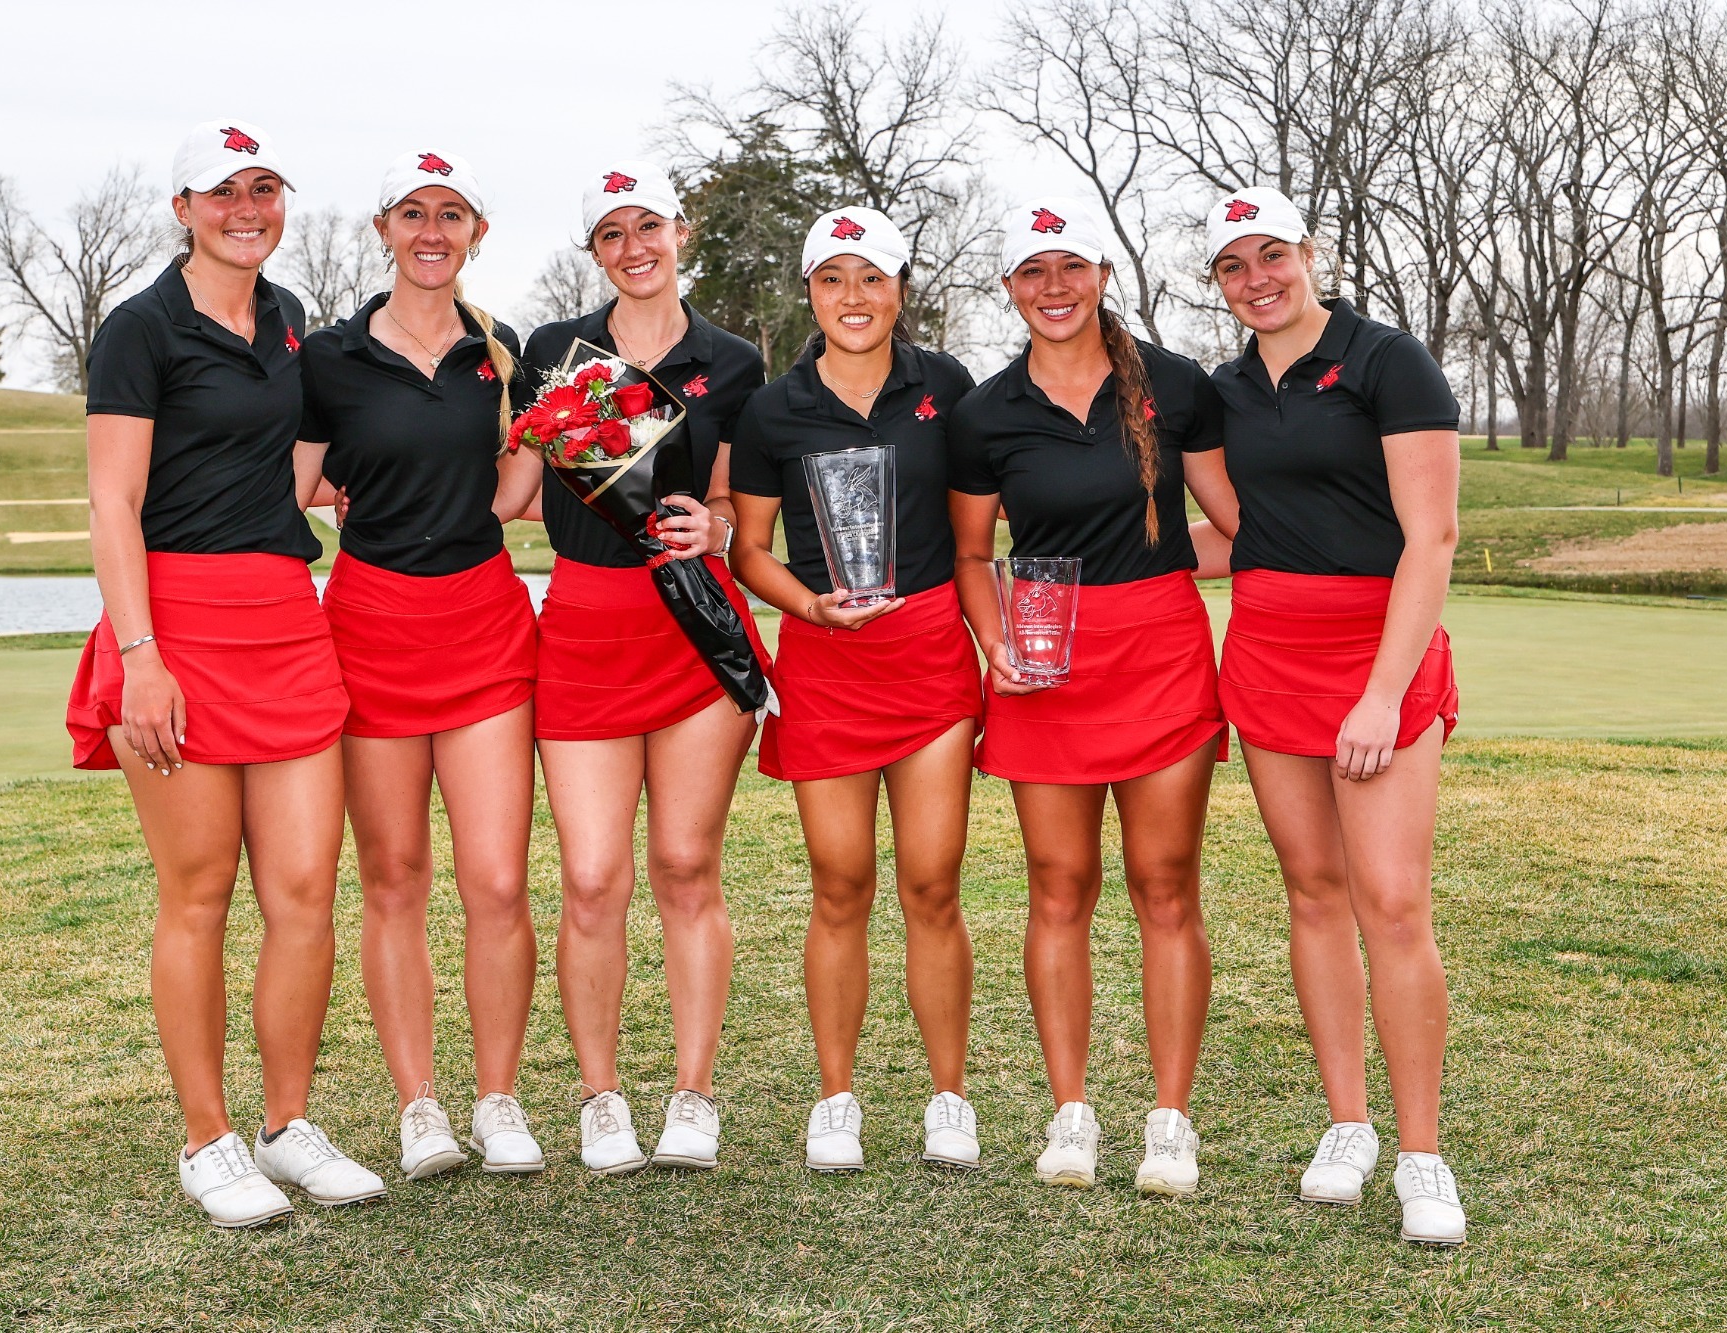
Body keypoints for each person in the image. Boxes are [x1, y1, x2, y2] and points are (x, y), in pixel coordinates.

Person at [64, 120, 383, 1228]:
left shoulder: (288, 317)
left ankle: (285, 1126)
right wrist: (139, 657)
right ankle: (207, 1139)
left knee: (302, 894)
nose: (247, 208)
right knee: (198, 893)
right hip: (177, 622)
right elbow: (112, 502)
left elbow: (280, 463)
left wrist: (339, 481)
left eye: (264, 190)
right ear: (183, 209)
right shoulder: (139, 328)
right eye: (223, 193)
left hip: (284, 619)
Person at [947, 197, 1238, 1193]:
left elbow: (1233, 521)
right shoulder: (984, 411)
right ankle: (1069, 1114)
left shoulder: (1173, 383)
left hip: (1157, 650)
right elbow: (970, 551)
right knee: (1057, 886)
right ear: (1009, 290)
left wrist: (1165, 571)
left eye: (1069, 265)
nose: (1053, 286)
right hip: (1044, 654)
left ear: (1103, 274)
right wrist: (996, 643)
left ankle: (1168, 1119)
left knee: (1164, 884)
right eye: (1032, 271)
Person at [1205, 186, 1466, 1245]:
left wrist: (1379, 691)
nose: (1256, 278)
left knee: (1391, 900)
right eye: (1231, 265)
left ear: (1307, 254)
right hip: (1268, 646)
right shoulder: (1223, 388)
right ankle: (1346, 1125)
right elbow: (1237, 532)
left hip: (1376, 654)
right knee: (1312, 892)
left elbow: (1432, 538)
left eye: (1271, 254)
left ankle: (1420, 1154)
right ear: (1216, 285)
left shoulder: (1383, 359)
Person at [294, 149, 546, 1181]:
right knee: (393, 878)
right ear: (382, 229)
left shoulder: (502, 348)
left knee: (495, 878)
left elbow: (515, 486)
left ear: (476, 231)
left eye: (452, 213)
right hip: (369, 628)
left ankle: (497, 1099)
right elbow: (295, 480)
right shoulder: (329, 354)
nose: (431, 230)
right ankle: (418, 1109)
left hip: (484, 624)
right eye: (412, 212)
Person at [518, 160, 768, 1175]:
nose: (634, 248)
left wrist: (714, 522)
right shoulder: (551, 351)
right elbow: (520, 487)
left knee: (683, 864)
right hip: (583, 619)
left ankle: (694, 1095)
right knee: (589, 876)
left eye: (648, 227)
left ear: (680, 230)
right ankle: (600, 1096)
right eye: (611, 234)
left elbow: (735, 505)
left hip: (690, 627)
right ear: (594, 252)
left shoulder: (735, 360)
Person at [729, 207, 983, 1173]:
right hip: (827, 656)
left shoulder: (946, 388)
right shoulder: (772, 408)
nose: (853, 298)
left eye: (871, 278)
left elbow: (973, 531)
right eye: (833, 279)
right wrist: (811, 604)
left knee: (932, 879)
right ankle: (836, 1097)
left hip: (925, 653)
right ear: (810, 293)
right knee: (840, 883)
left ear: (900, 287)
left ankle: (948, 1096)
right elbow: (749, 547)